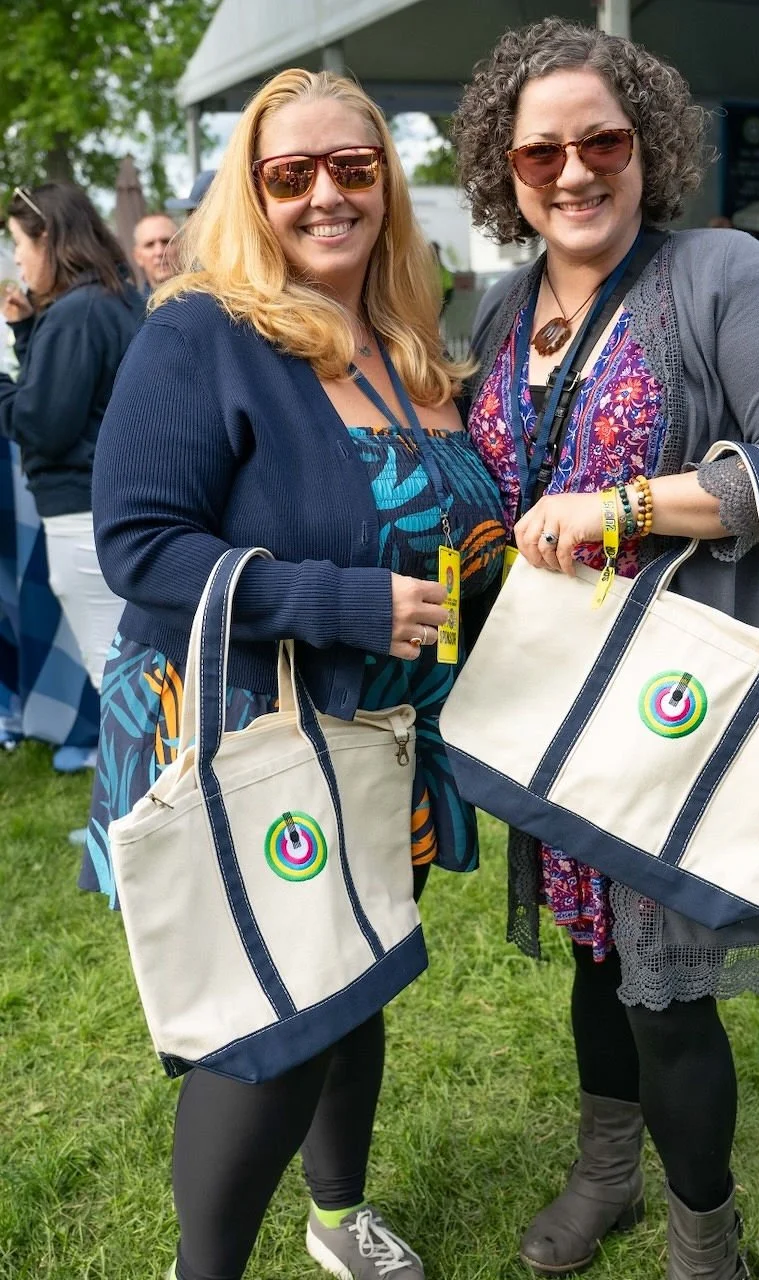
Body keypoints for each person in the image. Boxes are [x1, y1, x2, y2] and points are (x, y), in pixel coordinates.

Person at [81, 68, 505, 1280]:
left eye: (353, 167)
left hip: (378, 739)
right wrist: (341, 600)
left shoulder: (401, 339)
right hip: (249, 730)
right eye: (291, 173)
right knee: (268, 1017)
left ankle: (335, 1216)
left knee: (354, 976)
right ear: (252, 192)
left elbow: (441, 528)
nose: (327, 194)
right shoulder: (201, 329)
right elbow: (142, 546)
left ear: (386, 181)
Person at [453, 19, 759, 1280]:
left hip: (668, 702)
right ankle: (604, 1172)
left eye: (602, 141)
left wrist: (624, 506)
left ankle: (705, 1236)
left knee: (664, 990)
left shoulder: (720, 273)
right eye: (540, 155)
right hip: (552, 702)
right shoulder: (503, 308)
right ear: (502, 174)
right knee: (593, 952)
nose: (573, 173)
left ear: (649, 145)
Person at [0, 183, 143, 702]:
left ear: (48, 239)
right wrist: (25, 329)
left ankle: (131, 784)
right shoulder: (119, 296)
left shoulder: (76, 313)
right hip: (119, 505)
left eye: (18, 242)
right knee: (136, 674)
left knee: (113, 679)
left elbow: (44, 426)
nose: (16, 256)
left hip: (82, 516)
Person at [132, 211, 179, 297]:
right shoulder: (135, 308)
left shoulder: (206, 298)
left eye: (166, 242)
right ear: (138, 256)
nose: (159, 252)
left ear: (181, 246)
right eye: (150, 245)